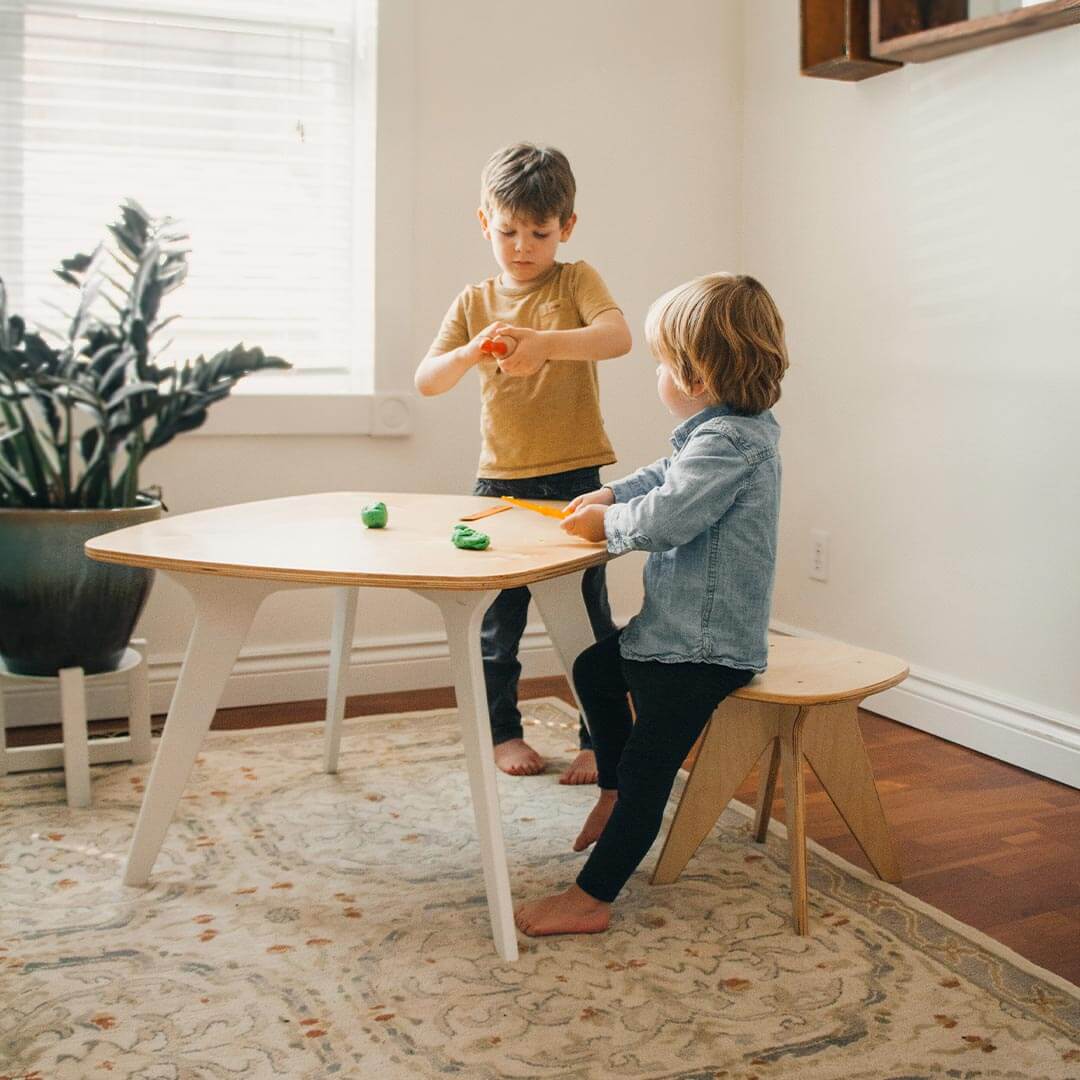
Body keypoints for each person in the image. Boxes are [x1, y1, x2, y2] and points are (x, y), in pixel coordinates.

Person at [514, 272, 789, 936]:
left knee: (649, 769)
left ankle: (593, 898)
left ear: (694, 378)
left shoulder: (728, 444)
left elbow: (666, 518)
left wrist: (606, 527)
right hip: (673, 633)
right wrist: (609, 495)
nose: (657, 375)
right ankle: (611, 789)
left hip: (700, 650)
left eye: (662, 363)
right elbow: (664, 475)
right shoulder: (723, 430)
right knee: (593, 672)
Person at [415, 143, 632, 782]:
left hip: (574, 479)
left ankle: (598, 737)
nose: (522, 246)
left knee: (589, 620)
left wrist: (545, 344)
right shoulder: (475, 301)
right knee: (498, 621)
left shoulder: (576, 280)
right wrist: (470, 354)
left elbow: (617, 336)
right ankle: (502, 732)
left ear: (566, 227)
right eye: (507, 231)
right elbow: (428, 379)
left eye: (539, 233)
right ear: (485, 222)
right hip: (499, 482)